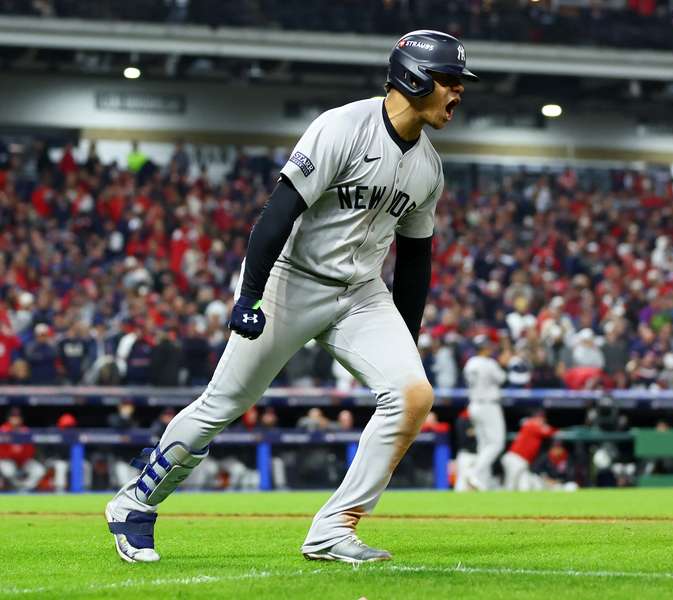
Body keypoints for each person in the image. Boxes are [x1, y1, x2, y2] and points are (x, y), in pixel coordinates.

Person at [105, 29, 477, 564]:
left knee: (413, 394)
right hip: (293, 279)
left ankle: (333, 529)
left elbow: (416, 257)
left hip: (361, 293)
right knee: (223, 405)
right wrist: (249, 296)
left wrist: (405, 337)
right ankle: (135, 503)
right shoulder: (342, 127)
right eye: (449, 80)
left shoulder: (429, 166)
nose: (458, 92)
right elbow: (279, 213)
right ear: (414, 76)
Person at [462, 335, 507, 490]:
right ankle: (474, 473)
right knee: (496, 444)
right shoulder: (489, 363)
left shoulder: (469, 363)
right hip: (488, 406)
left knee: (484, 445)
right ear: (484, 348)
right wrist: (502, 363)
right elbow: (502, 378)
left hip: (474, 405)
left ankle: (482, 482)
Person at [501, 410, 557, 491]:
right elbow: (548, 432)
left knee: (524, 486)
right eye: (538, 418)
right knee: (510, 486)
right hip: (515, 459)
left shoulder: (532, 425)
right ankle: (503, 501)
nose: (541, 420)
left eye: (542, 418)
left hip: (521, 460)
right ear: (534, 418)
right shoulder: (531, 424)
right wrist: (556, 430)